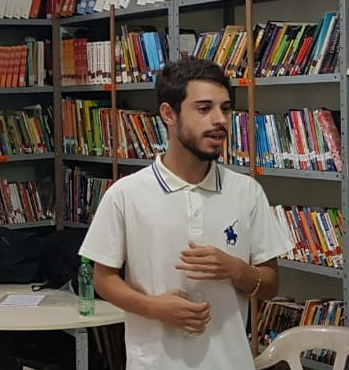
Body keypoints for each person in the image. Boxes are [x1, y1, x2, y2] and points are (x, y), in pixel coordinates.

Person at [79, 57, 293, 369]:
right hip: (154, 363)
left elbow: (270, 284)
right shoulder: (125, 194)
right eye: (204, 109)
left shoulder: (246, 192)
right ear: (169, 114)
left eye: (225, 108)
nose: (219, 120)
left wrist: (235, 269)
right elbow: (103, 279)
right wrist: (153, 308)